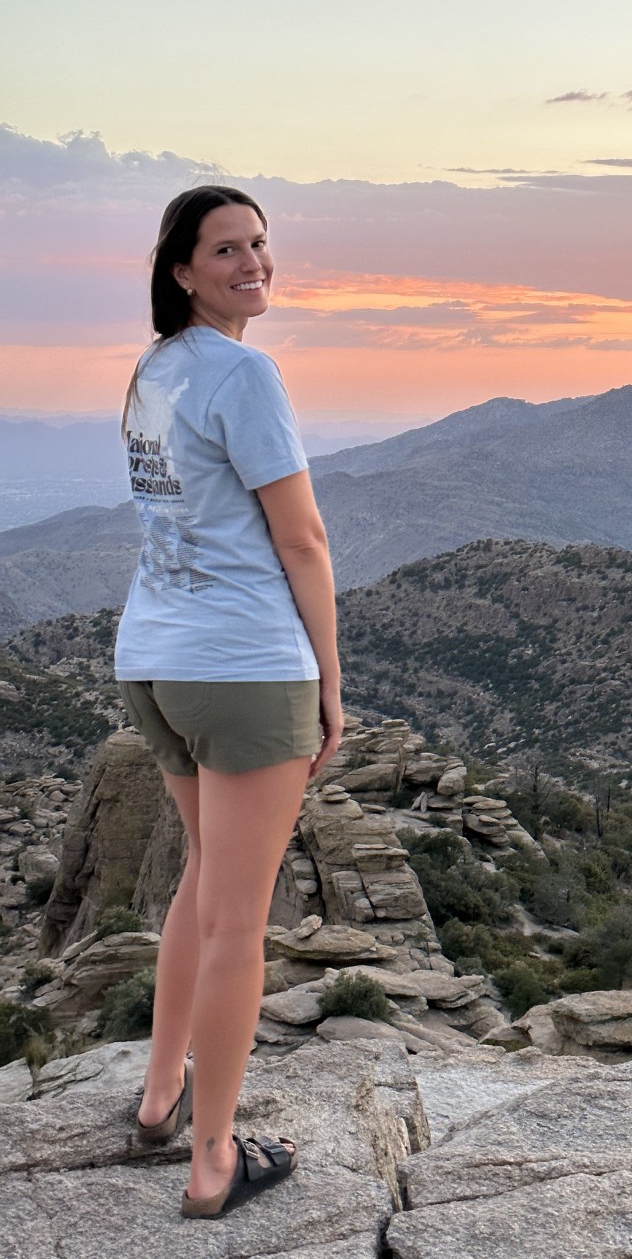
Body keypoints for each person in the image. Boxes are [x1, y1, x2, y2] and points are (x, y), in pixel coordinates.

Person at [114, 185, 343, 1218]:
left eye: (259, 242)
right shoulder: (245, 373)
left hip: (155, 658)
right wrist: (331, 682)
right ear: (183, 270)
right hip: (245, 666)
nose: (252, 260)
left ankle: (161, 1098)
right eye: (225, 248)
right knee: (239, 923)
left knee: (203, 884)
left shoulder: (153, 372)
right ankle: (214, 1161)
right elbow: (302, 539)